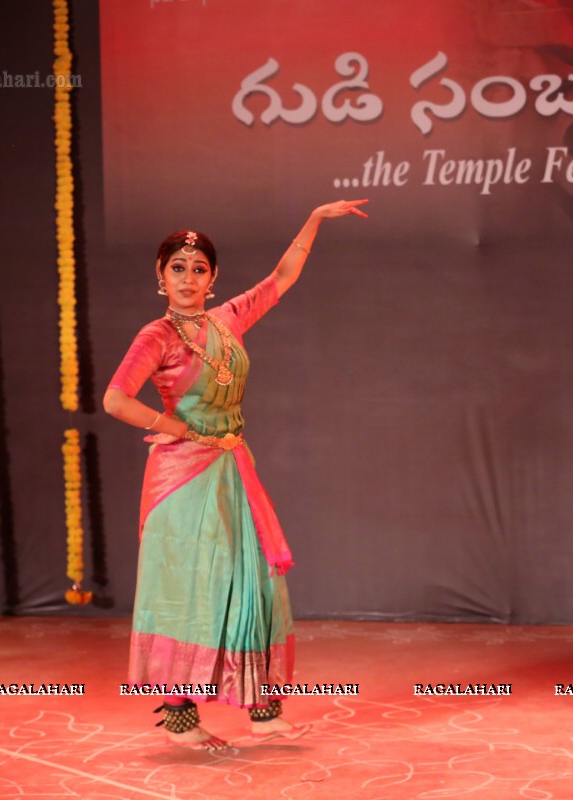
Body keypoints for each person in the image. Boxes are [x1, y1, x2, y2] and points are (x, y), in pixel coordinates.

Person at [103, 199, 369, 749]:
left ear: (213, 278)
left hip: (231, 469)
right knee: (190, 591)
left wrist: (315, 218)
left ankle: (262, 710)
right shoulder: (155, 336)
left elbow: (283, 278)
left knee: (253, 582)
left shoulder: (228, 319)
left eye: (198, 269)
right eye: (177, 267)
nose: (188, 277)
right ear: (161, 275)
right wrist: (173, 428)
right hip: (180, 479)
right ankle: (180, 718)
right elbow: (114, 399)